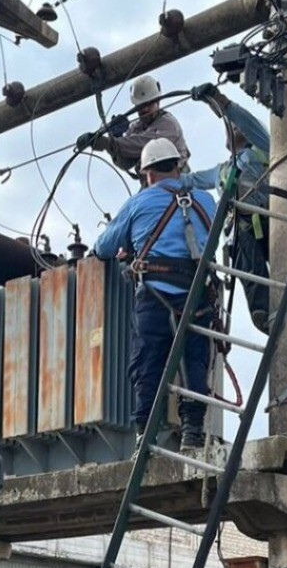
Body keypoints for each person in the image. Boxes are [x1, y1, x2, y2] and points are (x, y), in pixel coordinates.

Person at [93, 137, 217, 450]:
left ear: (147, 174)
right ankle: (192, 431)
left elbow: (103, 248)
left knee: (148, 364)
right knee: (195, 361)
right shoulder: (206, 201)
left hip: (155, 294)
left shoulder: (140, 202)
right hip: (198, 296)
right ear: (179, 166)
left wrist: (131, 247)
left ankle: (144, 433)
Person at [179, 83, 274, 333]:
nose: (233, 129)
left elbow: (248, 122)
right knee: (244, 255)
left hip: (270, 222)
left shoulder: (263, 148)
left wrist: (221, 102)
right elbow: (190, 181)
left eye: (235, 127)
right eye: (230, 128)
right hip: (244, 231)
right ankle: (262, 311)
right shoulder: (222, 170)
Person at [79, 75, 191, 177]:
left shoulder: (168, 125)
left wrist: (107, 142)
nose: (145, 109)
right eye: (140, 106)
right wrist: (116, 136)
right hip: (152, 184)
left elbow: (142, 145)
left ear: (158, 101)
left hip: (177, 180)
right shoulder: (136, 127)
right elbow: (125, 163)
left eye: (148, 104)